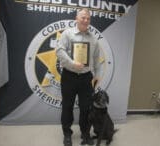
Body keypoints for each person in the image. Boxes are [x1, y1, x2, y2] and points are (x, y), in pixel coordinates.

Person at [56, 8, 100, 146]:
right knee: (67, 106)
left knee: (86, 108)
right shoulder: (67, 34)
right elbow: (59, 51)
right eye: (83, 17)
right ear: (76, 18)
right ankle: (67, 134)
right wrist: (72, 63)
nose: (86, 20)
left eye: (88, 18)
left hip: (86, 78)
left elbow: (97, 60)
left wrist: (97, 77)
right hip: (69, 76)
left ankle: (85, 133)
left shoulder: (94, 39)